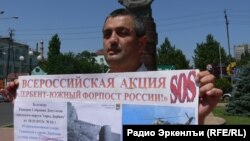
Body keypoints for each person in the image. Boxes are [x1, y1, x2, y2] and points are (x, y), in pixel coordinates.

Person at [1, 8, 222, 124]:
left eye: (122, 33)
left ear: (141, 42)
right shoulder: (84, 92)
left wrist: (198, 118)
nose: (112, 40)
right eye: (107, 34)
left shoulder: (171, 95)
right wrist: (26, 103)